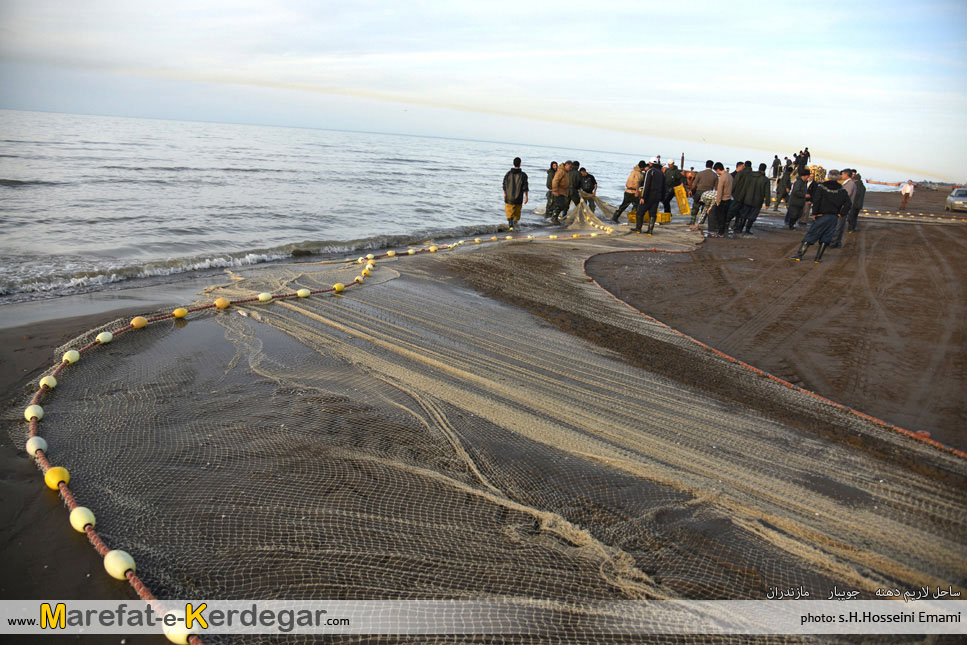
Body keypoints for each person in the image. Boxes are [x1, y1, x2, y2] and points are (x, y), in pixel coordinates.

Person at [790, 169, 851, 263]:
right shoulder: (841, 190)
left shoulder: (821, 187)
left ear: (828, 176)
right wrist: (841, 213)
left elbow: (816, 200)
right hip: (833, 217)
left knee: (812, 234)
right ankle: (818, 258)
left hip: (822, 215)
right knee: (827, 237)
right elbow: (848, 203)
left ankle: (799, 255)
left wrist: (815, 213)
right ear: (838, 177)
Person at [735, 163, 771, 234]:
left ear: (758, 168)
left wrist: (740, 197)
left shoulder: (750, 176)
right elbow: (767, 193)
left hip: (747, 199)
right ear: (764, 169)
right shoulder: (765, 180)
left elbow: (744, 188)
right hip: (757, 201)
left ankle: (739, 229)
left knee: (743, 215)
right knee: (752, 217)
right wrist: (767, 203)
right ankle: (747, 230)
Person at [635, 157, 665, 234]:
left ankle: (638, 229)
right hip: (657, 196)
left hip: (648, 196)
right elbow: (664, 186)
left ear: (651, 163)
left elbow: (646, 185)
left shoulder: (650, 171)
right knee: (653, 214)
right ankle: (650, 230)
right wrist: (662, 197)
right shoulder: (661, 173)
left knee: (640, 212)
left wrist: (643, 197)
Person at [830, 169, 855, 248]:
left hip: (843, 207)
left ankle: (833, 243)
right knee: (840, 225)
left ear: (846, 174)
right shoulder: (850, 183)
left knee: (838, 226)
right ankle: (837, 242)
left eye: (843, 174)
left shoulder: (850, 184)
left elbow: (845, 195)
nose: (841, 176)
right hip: (844, 207)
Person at [502, 157, 528, 230]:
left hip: (509, 197)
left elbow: (504, 184)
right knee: (517, 214)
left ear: (513, 163)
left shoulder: (508, 174)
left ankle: (510, 225)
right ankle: (515, 226)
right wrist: (526, 197)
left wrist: (505, 193)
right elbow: (525, 187)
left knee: (509, 213)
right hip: (519, 197)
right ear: (520, 164)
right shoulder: (523, 175)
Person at [707, 162, 732, 238]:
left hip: (722, 199)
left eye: (716, 171)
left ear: (718, 169)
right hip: (729, 199)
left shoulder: (722, 177)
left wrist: (717, 201)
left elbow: (719, 190)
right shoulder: (729, 176)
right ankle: (723, 231)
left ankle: (720, 233)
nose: (716, 173)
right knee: (724, 217)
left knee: (719, 217)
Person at [690, 160, 718, 227]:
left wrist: (691, 190)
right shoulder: (715, 175)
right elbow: (717, 188)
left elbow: (694, 184)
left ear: (706, 165)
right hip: (708, 193)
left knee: (695, 207)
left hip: (699, 192)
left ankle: (692, 221)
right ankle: (701, 222)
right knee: (704, 208)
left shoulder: (700, 173)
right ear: (712, 166)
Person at [725, 161, 750, 235]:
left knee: (738, 213)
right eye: (742, 166)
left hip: (738, 196)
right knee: (731, 212)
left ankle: (735, 226)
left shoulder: (739, 174)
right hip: (734, 196)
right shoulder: (733, 175)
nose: (743, 167)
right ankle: (728, 224)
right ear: (739, 166)